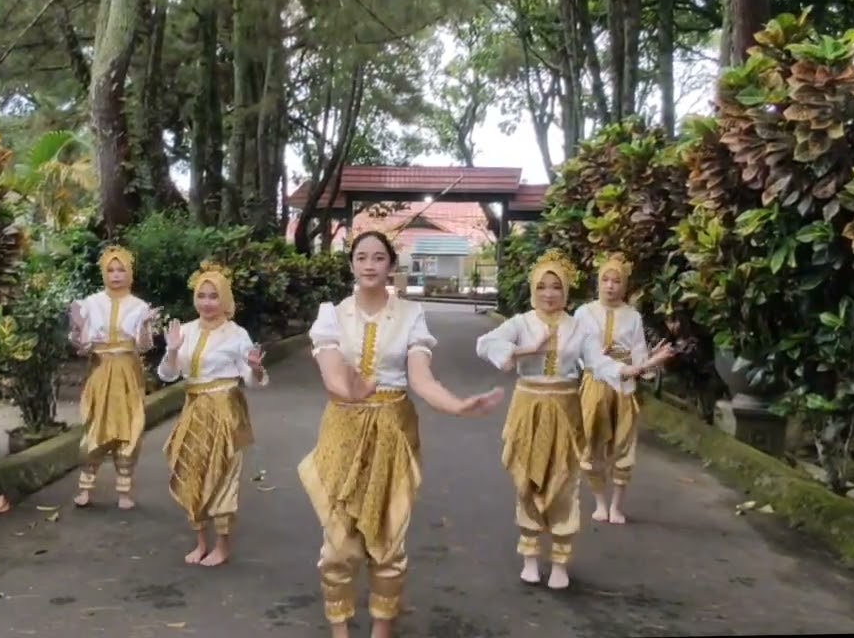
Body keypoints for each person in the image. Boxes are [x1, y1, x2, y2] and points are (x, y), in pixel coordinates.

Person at [299, 230, 505, 638]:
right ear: (352, 264)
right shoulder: (332, 314)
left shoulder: (412, 315)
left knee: (388, 536)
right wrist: (349, 391)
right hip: (342, 428)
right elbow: (330, 368)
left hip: (394, 429)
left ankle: (382, 627)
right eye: (362, 257)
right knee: (337, 543)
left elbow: (421, 379)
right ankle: (340, 629)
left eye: (379, 257)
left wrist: (456, 404)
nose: (370, 264)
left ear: (391, 265)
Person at [475, 248, 616, 590]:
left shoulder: (580, 328)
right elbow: (485, 344)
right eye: (542, 287)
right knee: (528, 482)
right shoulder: (521, 322)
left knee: (565, 483)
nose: (549, 294)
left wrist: (638, 367)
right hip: (528, 409)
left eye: (556, 287)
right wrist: (528, 351)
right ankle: (529, 557)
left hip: (567, 412)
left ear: (566, 290)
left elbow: (600, 363)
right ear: (533, 289)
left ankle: (560, 562)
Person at [157, 260, 268, 567]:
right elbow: (168, 375)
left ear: (225, 299)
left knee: (222, 477)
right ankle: (201, 541)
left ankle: (222, 544)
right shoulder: (186, 331)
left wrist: (256, 368)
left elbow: (251, 380)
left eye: (214, 296)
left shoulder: (236, 334)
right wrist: (171, 350)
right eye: (202, 296)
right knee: (190, 470)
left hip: (225, 412)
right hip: (193, 411)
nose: (207, 302)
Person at [574, 252, 676, 525]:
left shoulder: (633, 317)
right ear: (598, 282)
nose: (610, 285)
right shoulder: (584, 313)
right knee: (591, 445)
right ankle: (600, 503)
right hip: (594, 385)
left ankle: (617, 506)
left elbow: (639, 356)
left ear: (625, 285)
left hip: (625, 388)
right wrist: (596, 358)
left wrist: (651, 360)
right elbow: (577, 351)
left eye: (616, 281)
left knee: (623, 446)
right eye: (605, 279)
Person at [68, 246, 158, 510]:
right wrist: (79, 327)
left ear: (130, 274)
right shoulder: (90, 304)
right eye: (110, 269)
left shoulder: (139, 307)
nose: (116, 275)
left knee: (129, 428)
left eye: (121, 270)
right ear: (103, 273)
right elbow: (81, 347)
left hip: (128, 373)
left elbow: (143, 347)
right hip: (100, 371)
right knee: (95, 426)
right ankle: (85, 487)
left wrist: (143, 326)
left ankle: (124, 490)